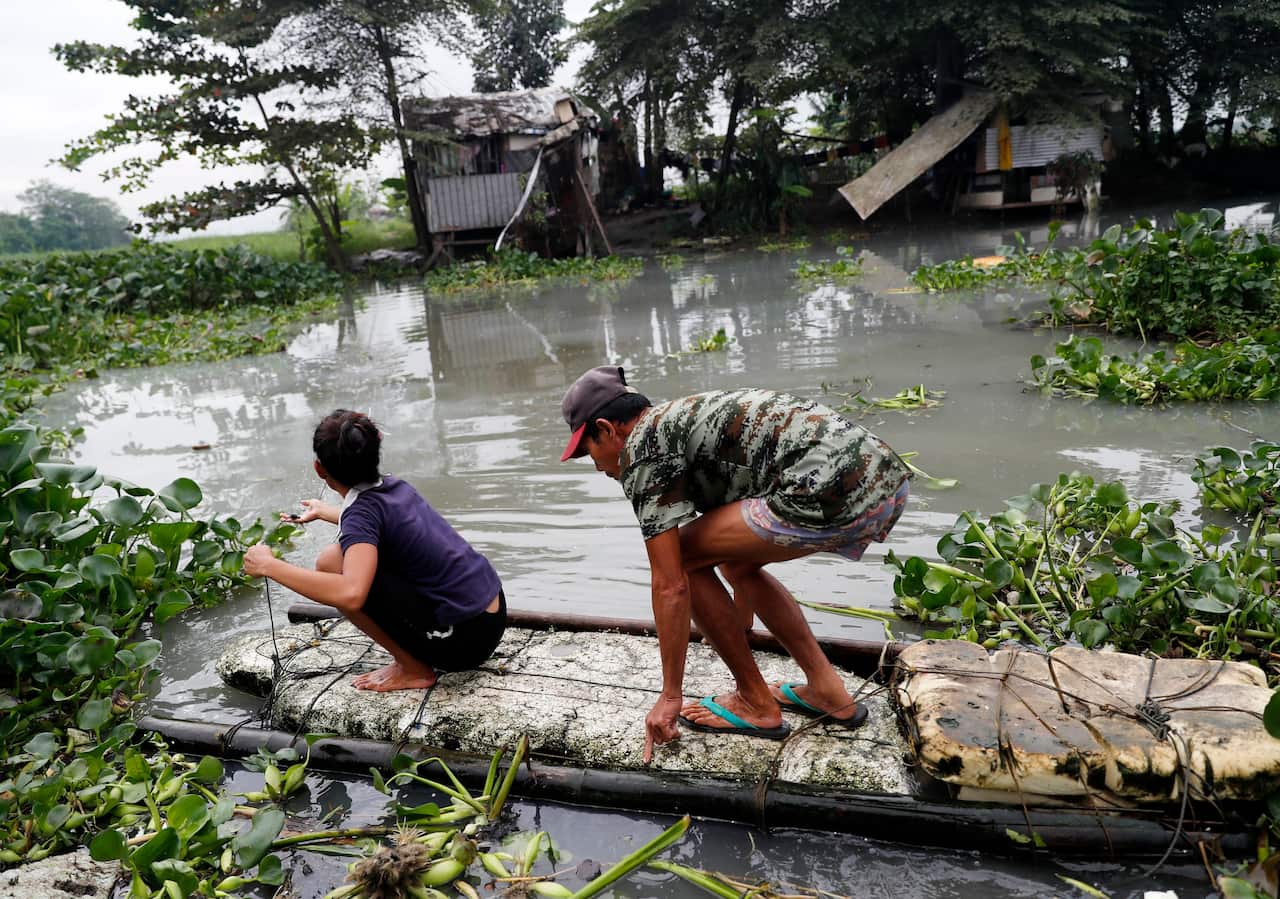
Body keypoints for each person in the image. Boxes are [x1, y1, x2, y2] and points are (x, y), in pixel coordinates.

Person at [559, 367, 910, 762]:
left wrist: (670, 695)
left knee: (687, 558)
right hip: (884, 481)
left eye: (588, 451)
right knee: (733, 564)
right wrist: (736, 624)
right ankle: (828, 690)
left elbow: (670, 583)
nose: (596, 467)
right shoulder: (680, 423)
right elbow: (733, 548)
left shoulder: (642, 450)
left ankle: (755, 701)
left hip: (833, 488)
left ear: (607, 430)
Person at [244, 409, 506, 692]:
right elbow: (379, 521)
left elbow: (352, 594)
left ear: (319, 469)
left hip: (463, 643)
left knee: (334, 568)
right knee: (335, 557)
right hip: (492, 616)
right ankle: (416, 656)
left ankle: (414, 669)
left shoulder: (360, 513)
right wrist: (327, 512)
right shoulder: (396, 486)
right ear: (377, 446)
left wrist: (269, 566)